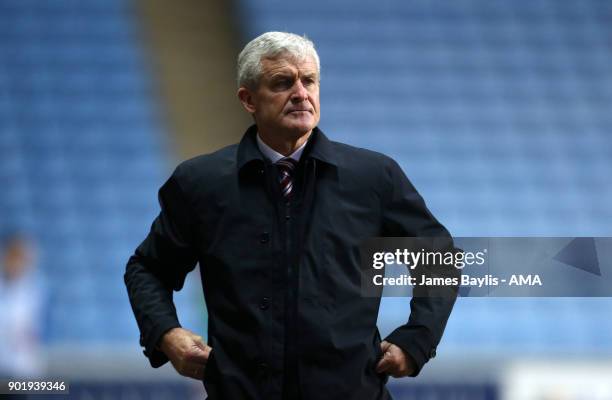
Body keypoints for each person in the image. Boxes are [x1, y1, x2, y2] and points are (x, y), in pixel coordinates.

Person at [125, 31, 458, 400]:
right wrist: (166, 334)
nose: (301, 93)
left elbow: (438, 258)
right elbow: (148, 268)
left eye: (309, 81)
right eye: (283, 83)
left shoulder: (374, 178)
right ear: (248, 99)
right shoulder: (200, 184)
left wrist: (417, 339)